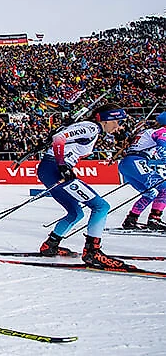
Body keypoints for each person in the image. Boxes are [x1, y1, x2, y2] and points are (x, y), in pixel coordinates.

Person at [36, 103, 132, 268]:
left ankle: (50, 245)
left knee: (75, 213)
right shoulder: (91, 128)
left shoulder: (91, 129)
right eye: (117, 122)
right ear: (107, 120)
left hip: (49, 169)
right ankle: (92, 252)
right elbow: (58, 138)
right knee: (101, 206)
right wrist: (62, 165)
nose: (118, 126)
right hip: (55, 169)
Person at [119, 112, 166, 231]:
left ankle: (131, 219)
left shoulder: (147, 131)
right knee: (165, 189)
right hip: (137, 162)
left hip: (127, 163)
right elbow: (162, 150)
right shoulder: (162, 131)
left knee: (150, 194)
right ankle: (154, 219)